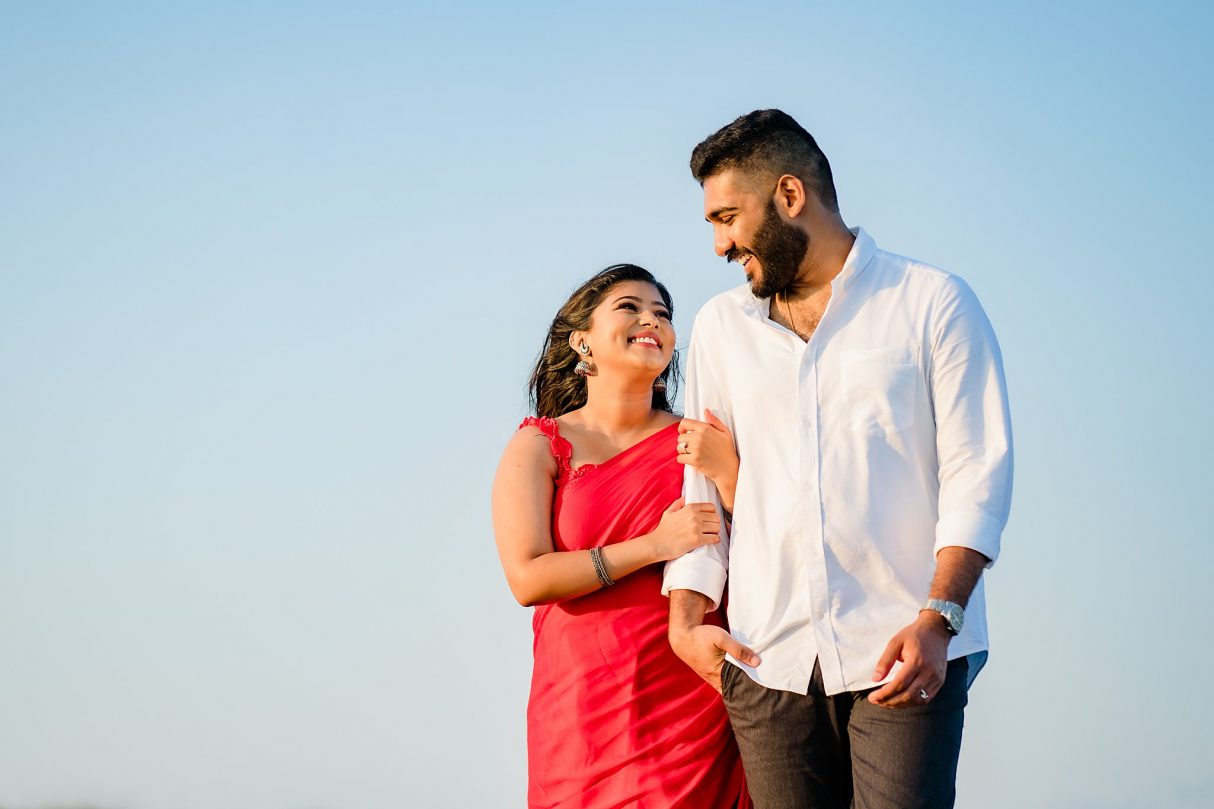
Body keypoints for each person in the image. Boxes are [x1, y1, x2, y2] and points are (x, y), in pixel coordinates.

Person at [664, 110, 1013, 809]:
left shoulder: (931, 302)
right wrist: (686, 619)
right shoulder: (720, 328)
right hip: (768, 660)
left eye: (728, 216)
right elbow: (700, 487)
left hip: (906, 651)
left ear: (790, 196)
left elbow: (978, 471)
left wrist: (938, 618)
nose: (718, 243)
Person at [491, 264, 750, 808]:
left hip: (690, 702)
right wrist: (654, 546)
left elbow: (765, 535)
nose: (650, 320)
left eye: (662, 313)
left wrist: (729, 477)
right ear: (582, 340)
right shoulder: (540, 446)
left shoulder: (699, 438)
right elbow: (528, 577)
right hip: (583, 709)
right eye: (629, 307)